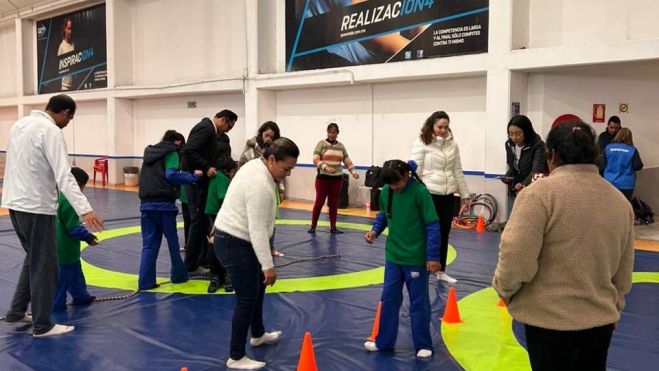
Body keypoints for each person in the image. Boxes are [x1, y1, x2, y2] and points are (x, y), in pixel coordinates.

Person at [492, 120, 634, 371]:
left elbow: (516, 258)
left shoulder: (538, 195)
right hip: (599, 322)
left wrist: (505, 290)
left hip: (549, 322)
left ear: (552, 155)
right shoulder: (619, 202)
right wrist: (614, 307)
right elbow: (623, 272)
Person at [1, 94, 103, 337]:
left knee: (33, 258)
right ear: (65, 112)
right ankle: (43, 324)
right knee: (46, 265)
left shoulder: (20, 125)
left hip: (15, 204)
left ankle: (16, 311)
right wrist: (84, 209)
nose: (68, 123)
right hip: (36, 206)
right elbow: (64, 174)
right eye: (70, 118)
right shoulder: (50, 131)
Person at [213, 138, 299, 370]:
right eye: (286, 169)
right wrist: (268, 265)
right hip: (234, 242)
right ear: (271, 160)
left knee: (257, 288)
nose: (288, 174)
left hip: (236, 237)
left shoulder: (254, 165)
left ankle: (258, 334)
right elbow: (257, 228)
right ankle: (236, 356)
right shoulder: (260, 183)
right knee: (247, 298)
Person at [363, 160, 440, 358]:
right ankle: (384, 342)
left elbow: (432, 225)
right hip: (393, 257)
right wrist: (375, 231)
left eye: (397, 183)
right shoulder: (387, 191)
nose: (394, 188)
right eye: (390, 185)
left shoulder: (421, 193)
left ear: (406, 175)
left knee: (418, 302)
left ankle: (424, 344)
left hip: (415, 258)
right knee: (388, 299)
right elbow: (384, 215)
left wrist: (432, 256)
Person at [138, 130, 202, 291]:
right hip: (164, 205)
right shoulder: (171, 153)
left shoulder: (149, 153)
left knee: (149, 245)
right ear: (178, 142)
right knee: (173, 243)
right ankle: (179, 276)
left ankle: (145, 282)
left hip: (146, 205)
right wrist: (193, 176)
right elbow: (171, 175)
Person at [411, 111, 470, 284]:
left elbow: (457, 170)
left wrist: (465, 195)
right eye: (439, 127)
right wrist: (417, 194)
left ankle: (441, 271)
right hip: (428, 194)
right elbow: (414, 171)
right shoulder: (421, 143)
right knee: (427, 232)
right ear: (431, 125)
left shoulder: (453, 144)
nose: (443, 130)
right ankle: (420, 267)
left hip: (447, 194)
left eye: (445, 127)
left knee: (444, 233)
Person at [182, 110, 237, 273]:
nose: (226, 132)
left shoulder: (208, 129)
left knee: (202, 221)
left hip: (199, 180)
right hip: (195, 180)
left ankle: (202, 260)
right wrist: (206, 167)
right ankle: (191, 264)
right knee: (197, 221)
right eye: (228, 127)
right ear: (223, 120)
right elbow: (189, 150)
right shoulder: (206, 128)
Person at [53, 167, 98, 312]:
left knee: (75, 273)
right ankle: (56, 305)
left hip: (56, 246)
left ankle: (81, 296)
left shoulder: (55, 195)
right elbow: (73, 227)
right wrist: (88, 237)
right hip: (66, 249)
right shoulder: (69, 200)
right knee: (63, 279)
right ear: (77, 184)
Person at [308, 123, 359, 234]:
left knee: (333, 203)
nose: (331, 134)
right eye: (329, 132)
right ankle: (313, 226)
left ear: (337, 133)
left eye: (334, 132)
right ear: (327, 132)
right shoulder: (321, 144)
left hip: (336, 180)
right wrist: (325, 167)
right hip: (322, 179)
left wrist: (353, 172)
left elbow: (347, 160)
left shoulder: (341, 146)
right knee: (319, 203)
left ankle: (333, 227)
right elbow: (315, 159)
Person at [501, 115, 547, 214]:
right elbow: (512, 167)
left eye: (518, 133)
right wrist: (507, 176)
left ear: (526, 132)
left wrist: (523, 184)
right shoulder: (509, 145)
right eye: (511, 134)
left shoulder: (538, 145)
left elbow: (536, 171)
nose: (514, 137)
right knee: (512, 218)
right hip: (514, 189)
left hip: (532, 189)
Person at [205, 157, 238, 293]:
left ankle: (222, 274)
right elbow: (223, 198)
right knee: (217, 241)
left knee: (218, 241)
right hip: (218, 213)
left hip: (218, 213)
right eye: (233, 172)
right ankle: (218, 274)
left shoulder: (217, 176)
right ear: (229, 171)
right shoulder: (222, 178)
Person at [603, 128, 643, 201]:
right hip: (626, 184)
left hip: (609, 182)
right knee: (624, 208)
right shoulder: (632, 149)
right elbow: (638, 166)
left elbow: (602, 164)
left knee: (609, 206)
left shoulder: (608, 147)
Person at [57, 17, 74, 91]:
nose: (70, 31)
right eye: (69, 29)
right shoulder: (61, 46)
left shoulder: (73, 44)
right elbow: (58, 67)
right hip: (65, 87)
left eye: (71, 29)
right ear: (65, 29)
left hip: (74, 85)